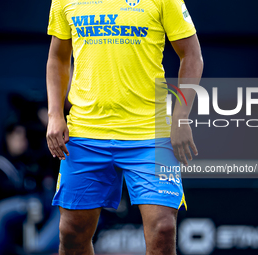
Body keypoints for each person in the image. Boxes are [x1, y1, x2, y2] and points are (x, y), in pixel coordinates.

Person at [46, 0, 203, 254]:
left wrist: (181, 116)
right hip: (86, 133)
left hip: (151, 134)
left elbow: (192, 55)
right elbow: (58, 58)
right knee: (72, 233)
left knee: (163, 229)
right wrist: (55, 114)